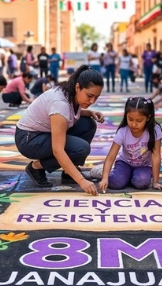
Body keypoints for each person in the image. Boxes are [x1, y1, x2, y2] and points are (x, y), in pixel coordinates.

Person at [16, 65, 104, 193]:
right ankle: (35, 167)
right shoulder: (60, 104)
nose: (92, 101)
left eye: (96, 97)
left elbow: (68, 112)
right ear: (78, 87)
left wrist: (89, 112)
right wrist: (81, 181)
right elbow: (58, 150)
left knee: (88, 124)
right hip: (28, 139)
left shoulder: (69, 92)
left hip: (41, 133)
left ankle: (69, 173)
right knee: (81, 148)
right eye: (89, 95)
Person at [97, 98, 162, 191]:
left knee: (142, 182)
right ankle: (101, 171)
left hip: (144, 166)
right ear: (126, 116)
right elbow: (111, 156)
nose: (134, 124)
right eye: (130, 119)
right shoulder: (123, 131)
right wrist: (104, 178)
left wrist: (155, 182)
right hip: (124, 163)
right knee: (115, 182)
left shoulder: (155, 130)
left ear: (148, 118)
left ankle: (128, 177)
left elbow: (156, 156)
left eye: (139, 120)